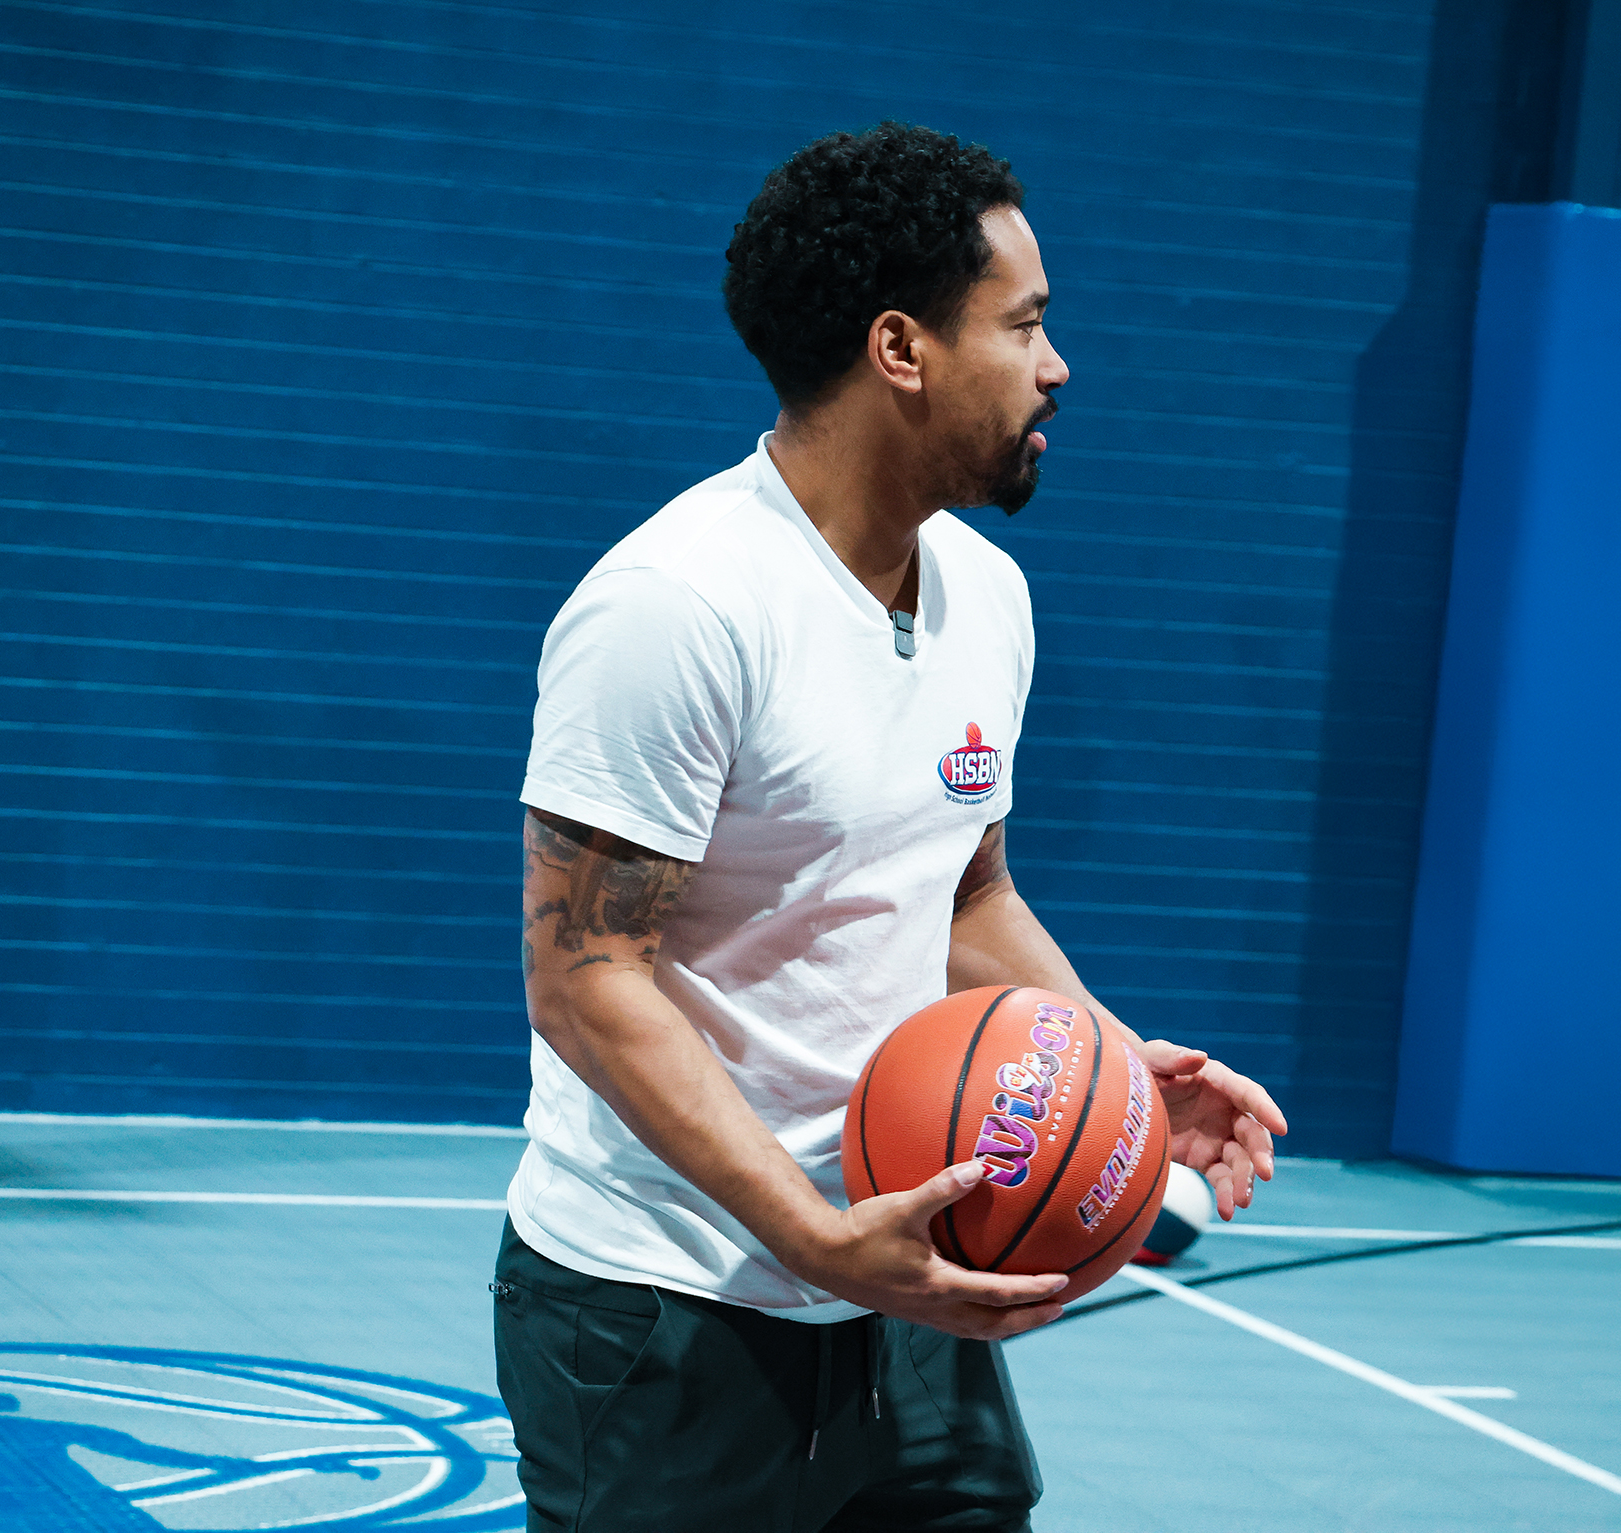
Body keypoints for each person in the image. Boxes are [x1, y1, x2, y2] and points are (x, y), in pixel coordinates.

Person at [495, 121, 1288, 1533]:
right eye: (1027, 325)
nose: (1058, 368)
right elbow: (584, 974)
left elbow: (963, 894)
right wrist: (811, 1236)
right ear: (901, 350)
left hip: (905, 1259)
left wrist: (1104, 1070)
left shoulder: (988, 595)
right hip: (670, 1292)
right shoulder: (677, 604)